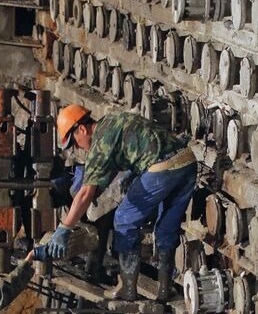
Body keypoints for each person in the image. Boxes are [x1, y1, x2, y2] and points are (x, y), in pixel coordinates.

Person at [49, 105, 197, 302]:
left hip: (162, 168)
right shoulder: (112, 120)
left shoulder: (99, 145)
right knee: (166, 229)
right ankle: (165, 288)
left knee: (124, 219)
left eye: (75, 142)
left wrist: (65, 227)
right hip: (187, 161)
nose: (78, 147)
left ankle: (128, 288)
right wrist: (131, 171)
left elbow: (85, 192)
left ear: (82, 129)